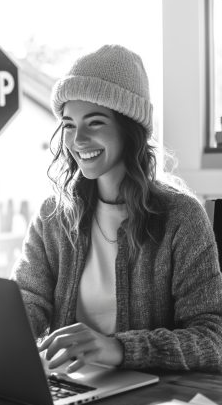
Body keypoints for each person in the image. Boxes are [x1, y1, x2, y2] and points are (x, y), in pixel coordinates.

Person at [11, 44, 222, 375]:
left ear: (129, 129)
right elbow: (28, 300)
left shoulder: (181, 217)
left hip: (148, 403)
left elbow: (213, 337)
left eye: (94, 123)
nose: (78, 139)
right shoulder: (53, 215)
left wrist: (120, 348)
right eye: (68, 124)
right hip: (70, 388)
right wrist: (3, 336)